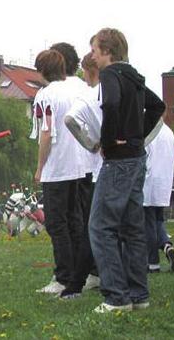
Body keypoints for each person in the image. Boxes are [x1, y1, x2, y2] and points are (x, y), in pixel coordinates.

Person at [89, 28, 165, 313]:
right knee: (132, 228)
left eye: (95, 50)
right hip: (136, 158)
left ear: (107, 51)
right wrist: (138, 136)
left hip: (118, 160)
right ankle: (139, 295)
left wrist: (108, 141)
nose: (93, 56)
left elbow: (110, 103)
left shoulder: (110, 75)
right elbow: (157, 106)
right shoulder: (134, 76)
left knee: (100, 227)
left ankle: (116, 297)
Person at [30, 49, 87, 294]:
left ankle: (63, 276)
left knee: (56, 223)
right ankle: (78, 273)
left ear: (42, 70)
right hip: (77, 165)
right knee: (75, 220)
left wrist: (40, 166)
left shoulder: (45, 95)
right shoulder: (74, 91)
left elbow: (46, 133)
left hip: (57, 167)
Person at [60, 52, 103, 299]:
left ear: (90, 71)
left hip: (96, 169)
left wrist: (92, 144)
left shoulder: (89, 95)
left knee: (92, 226)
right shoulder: (116, 91)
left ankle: (75, 283)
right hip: (126, 165)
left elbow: (70, 120)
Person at [143, 121, 174, 273]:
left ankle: (153, 263)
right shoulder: (169, 132)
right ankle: (166, 245)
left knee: (148, 224)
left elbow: (143, 156)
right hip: (164, 182)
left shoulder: (148, 130)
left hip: (149, 181)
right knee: (158, 220)